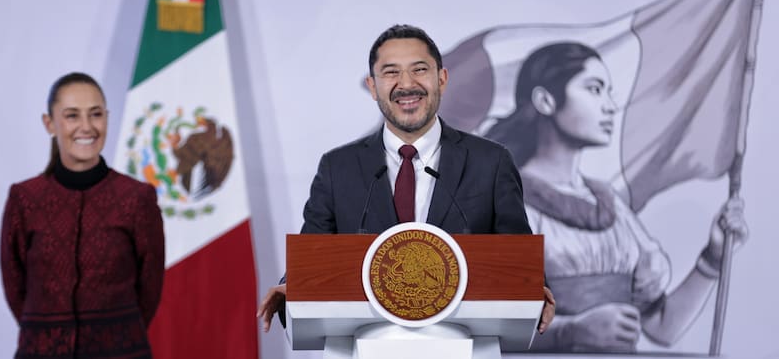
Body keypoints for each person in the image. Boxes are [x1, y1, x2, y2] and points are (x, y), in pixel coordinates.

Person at [257, 24, 556, 333]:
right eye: (391, 73)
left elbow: (518, 257)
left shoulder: (490, 162)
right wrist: (291, 286)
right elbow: (313, 257)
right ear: (372, 87)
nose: (406, 84)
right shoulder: (338, 167)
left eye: (419, 70)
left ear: (442, 79)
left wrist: (535, 288)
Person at [485, 42, 748, 353]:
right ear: (545, 100)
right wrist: (571, 332)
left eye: (609, 92)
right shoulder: (504, 200)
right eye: (595, 89)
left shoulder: (611, 206)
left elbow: (662, 327)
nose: (610, 106)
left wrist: (713, 258)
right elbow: (488, 329)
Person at [0, 72, 165, 358]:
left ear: (107, 118)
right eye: (72, 115)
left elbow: (149, 288)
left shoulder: (137, 198)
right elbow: (15, 285)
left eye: (96, 114)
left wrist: (115, 333)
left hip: (121, 351)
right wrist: (45, 332)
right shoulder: (24, 198)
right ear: (49, 123)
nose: (86, 127)